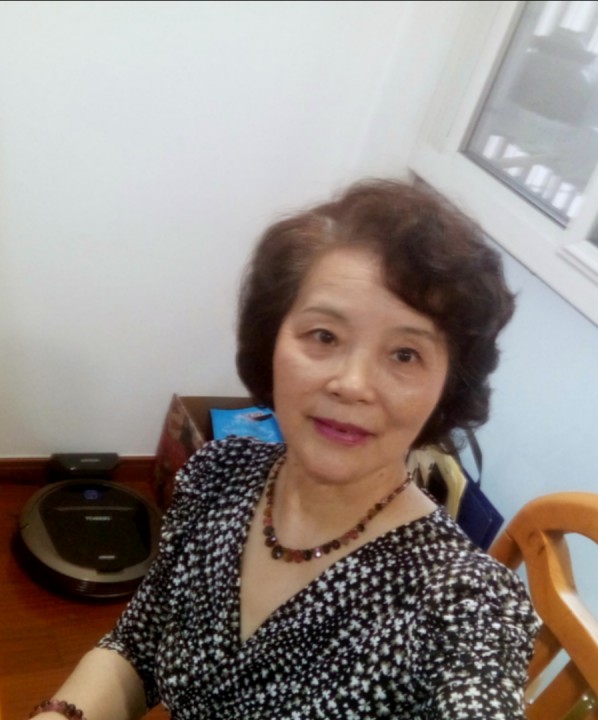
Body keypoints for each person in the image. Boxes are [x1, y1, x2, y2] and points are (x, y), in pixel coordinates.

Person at [29, 179, 538, 720]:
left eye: (405, 354)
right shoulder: (219, 474)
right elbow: (138, 646)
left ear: (449, 386)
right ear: (271, 339)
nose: (352, 384)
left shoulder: (463, 604)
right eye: (324, 336)